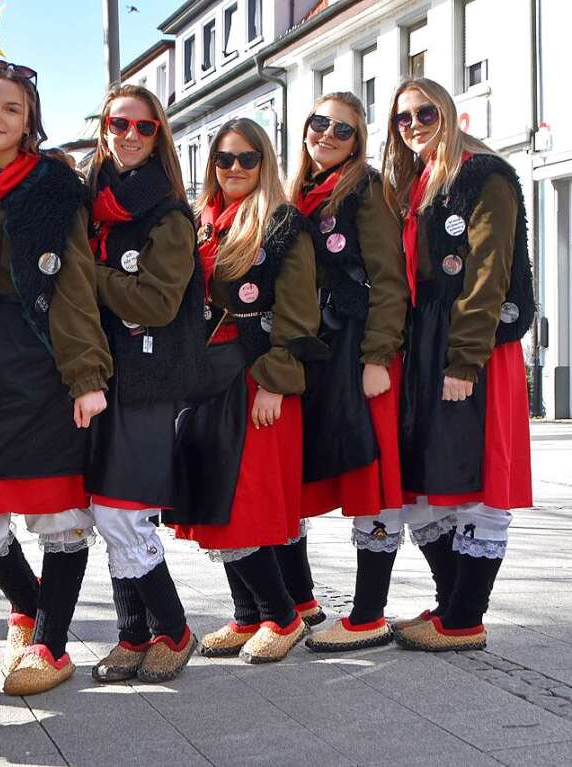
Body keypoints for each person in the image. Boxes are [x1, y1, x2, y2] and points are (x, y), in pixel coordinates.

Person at [0, 60, 112, 696]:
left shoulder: (52, 184)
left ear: (29, 124)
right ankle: (28, 601)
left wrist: (84, 374)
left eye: (11, 109)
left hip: (38, 358)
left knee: (56, 510)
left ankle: (51, 643)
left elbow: (73, 280)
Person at [378, 78, 533, 652]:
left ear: (448, 111)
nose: (414, 124)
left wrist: (465, 360)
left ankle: (464, 618)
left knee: (475, 484)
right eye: (402, 118)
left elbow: (489, 272)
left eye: (425, 112)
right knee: (424, 487)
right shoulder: (416, 185)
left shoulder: (483, 173)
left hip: (473, 346)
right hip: (426, 347)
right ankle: (453, 603)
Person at [167, 118, 322, 664]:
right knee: (215, 493)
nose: (234, 168)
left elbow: (300, 312)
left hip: (255, 377)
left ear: (265, 164)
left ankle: (282, 617)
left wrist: (275, 384)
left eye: (247, 159)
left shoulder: (282, 224)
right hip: (204, 376)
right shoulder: (198, 221)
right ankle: (248, 612)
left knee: (243, 504)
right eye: (224, 158)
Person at [280, 92, 409, 651]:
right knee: (297, 473)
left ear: (360, 141)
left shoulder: (366, 191)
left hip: (357, 350)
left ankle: (368, 613)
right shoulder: (298, 196)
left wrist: (379, 356)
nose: (327, 135)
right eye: (319, 123)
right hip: (313, 351)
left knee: (370, 480)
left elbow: (389, 279)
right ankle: (302, 601)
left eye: (344, 130)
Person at [84, 84, 203, 684]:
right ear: (104, 127)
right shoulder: (91, 204)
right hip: (101, 377)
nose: (130, 135)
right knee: (107, 513)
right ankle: (131, 635)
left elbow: (156, 303)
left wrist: (89, 274)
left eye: (145, 127)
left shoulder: (170, 215)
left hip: (147, 382)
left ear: (160, 137)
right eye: (120, 123)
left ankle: (175, 629)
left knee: (122, 513)